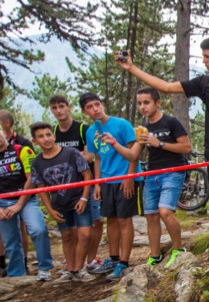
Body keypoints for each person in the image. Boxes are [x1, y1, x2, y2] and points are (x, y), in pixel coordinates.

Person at [117, 37, 209, 248]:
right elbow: (167, 87)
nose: (204, 61)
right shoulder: (204, 83)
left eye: (207, 57)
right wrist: (131, 68)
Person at [80, 93, 143, 281]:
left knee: (124, 219)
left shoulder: (121, 124)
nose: (95, 109)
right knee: (112, 219)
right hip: (107, 180)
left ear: (102, 104)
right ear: (85, 111)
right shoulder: (91, 132)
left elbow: (134, 152)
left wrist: (130, 177)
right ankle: (114, 258)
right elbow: (97, 158)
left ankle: (124, 262)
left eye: (97, 104)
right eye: (90, 107)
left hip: (125, 177)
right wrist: (98, 183)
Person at [130, 87, 191, 268]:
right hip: (152, 174)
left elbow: (186, 147)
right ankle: (154, 256)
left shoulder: (171, 122)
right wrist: (114, 143)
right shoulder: (144, 129)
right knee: (151, 216)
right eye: (139, 103)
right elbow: (133, 156)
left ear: (158, 103)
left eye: (146, 102)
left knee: (165, 211)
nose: (142, 107)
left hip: (173, 171)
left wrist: (160, 143)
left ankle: (178, 250)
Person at [29, 122, 94, 282]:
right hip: (59, 204)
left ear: (54, 135)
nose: (46, 139)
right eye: (41, 136)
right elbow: (41, 187)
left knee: (85, 234)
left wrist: (84, 198)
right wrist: (50, 209)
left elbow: (87, 175)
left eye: (48, 134)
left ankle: (79, 269)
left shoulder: (71, 153)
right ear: (35, 141)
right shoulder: (37, 162)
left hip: (79, 200)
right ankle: (70, 269)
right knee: (66, 236)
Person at [49, 94, 105, 271]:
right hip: (65, 188)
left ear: (69, 107)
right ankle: (74, 263)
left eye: (62, 106)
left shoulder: (82, 129)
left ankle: (91, 259)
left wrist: (65, 159)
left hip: (86, 182)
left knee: (96, 221)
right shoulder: (53, 132)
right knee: (72, 229)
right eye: (55, 108)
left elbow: (90, 155)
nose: (59, 111)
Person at [0, 129, 53, 280]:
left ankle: (45, 268)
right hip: (2, 201)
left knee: (38, 230)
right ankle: (17, 274)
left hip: (27, 198)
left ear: (3, 132)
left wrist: (19, 204)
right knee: (10, 240)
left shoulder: (22, 150)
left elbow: (31, 178)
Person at [0, 109, 32, 270]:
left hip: (21, 192)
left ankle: (23, 263)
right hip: (2, 194)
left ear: (6, 124)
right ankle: (4, 264)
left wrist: (21, 200)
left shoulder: (22, 142)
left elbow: (31, 174)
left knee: (21, 227)